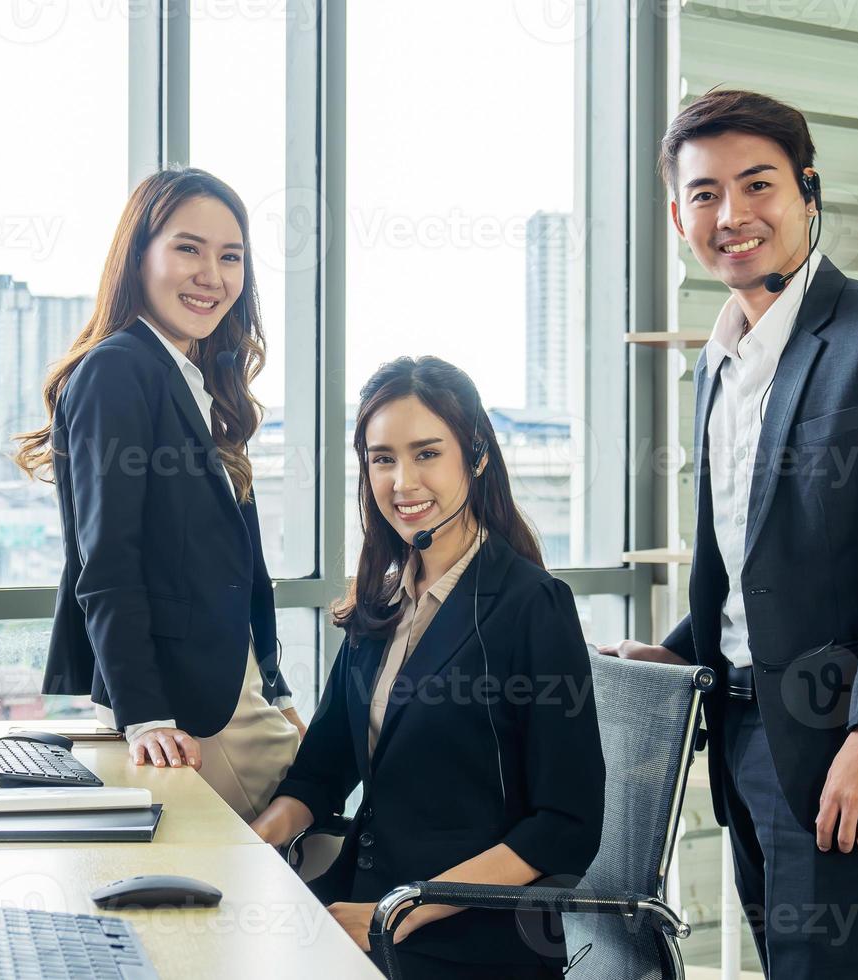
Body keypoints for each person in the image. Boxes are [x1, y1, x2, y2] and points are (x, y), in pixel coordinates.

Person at [601, 89, 858, 979]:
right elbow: (752, 552)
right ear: (679, 215)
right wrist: (682, 652)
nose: (732, 215)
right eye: (705, 195)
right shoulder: (719, 360)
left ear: (808, 192)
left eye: (758, 185)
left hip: (848, 731)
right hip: (744, 724)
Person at [251, 356, 604, 980]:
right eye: (382, 458)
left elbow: (565, 826)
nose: (402, 481)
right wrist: (251, 846)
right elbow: (321, 771)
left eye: (426, 453)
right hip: (363, 906)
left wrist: (399, 912)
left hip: (468, 935)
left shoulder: (531, 606)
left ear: (476, 457)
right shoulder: (381, 606)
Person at [14, 166, 303, 821]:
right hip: (189, 708)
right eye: (188, 248)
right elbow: (108, 561)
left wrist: (278, 692)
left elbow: (240, 569)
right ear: (137, 255)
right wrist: (145, 716)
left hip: (231, 692)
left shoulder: (194, 381)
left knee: (261, 882)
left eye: (231, 257)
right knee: (319, 860)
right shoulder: (120, 369)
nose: (212, 274)